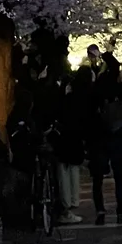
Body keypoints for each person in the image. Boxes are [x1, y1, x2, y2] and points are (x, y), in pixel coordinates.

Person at [86, 65, 122, 225]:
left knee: (97, 179)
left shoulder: (93, 98)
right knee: (119, 177)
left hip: (98, 142)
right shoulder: (119, 99)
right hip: (116, 141)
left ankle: (100, 210)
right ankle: (121, 211)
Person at [53, 77, 85, 223]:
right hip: (74, 142)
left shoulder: (60, 101)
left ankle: (67, 203)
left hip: (63, 142)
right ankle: (73, 201)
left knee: (63, 173)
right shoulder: (79, 102)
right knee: (73, 171)